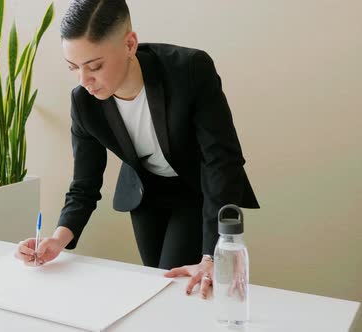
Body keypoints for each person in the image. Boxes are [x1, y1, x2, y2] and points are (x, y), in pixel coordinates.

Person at [15, 0, 259, 299]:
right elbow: (85, 183)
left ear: (130, 44)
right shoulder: (84, 102)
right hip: (145, 195)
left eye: (95, 66)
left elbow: (222, 161)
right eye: (73, 68)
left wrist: (212, 256)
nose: (84, 81)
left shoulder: (190, 70)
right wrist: (57, 239)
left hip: (197, 191)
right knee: (157, 286)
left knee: (182, 285)